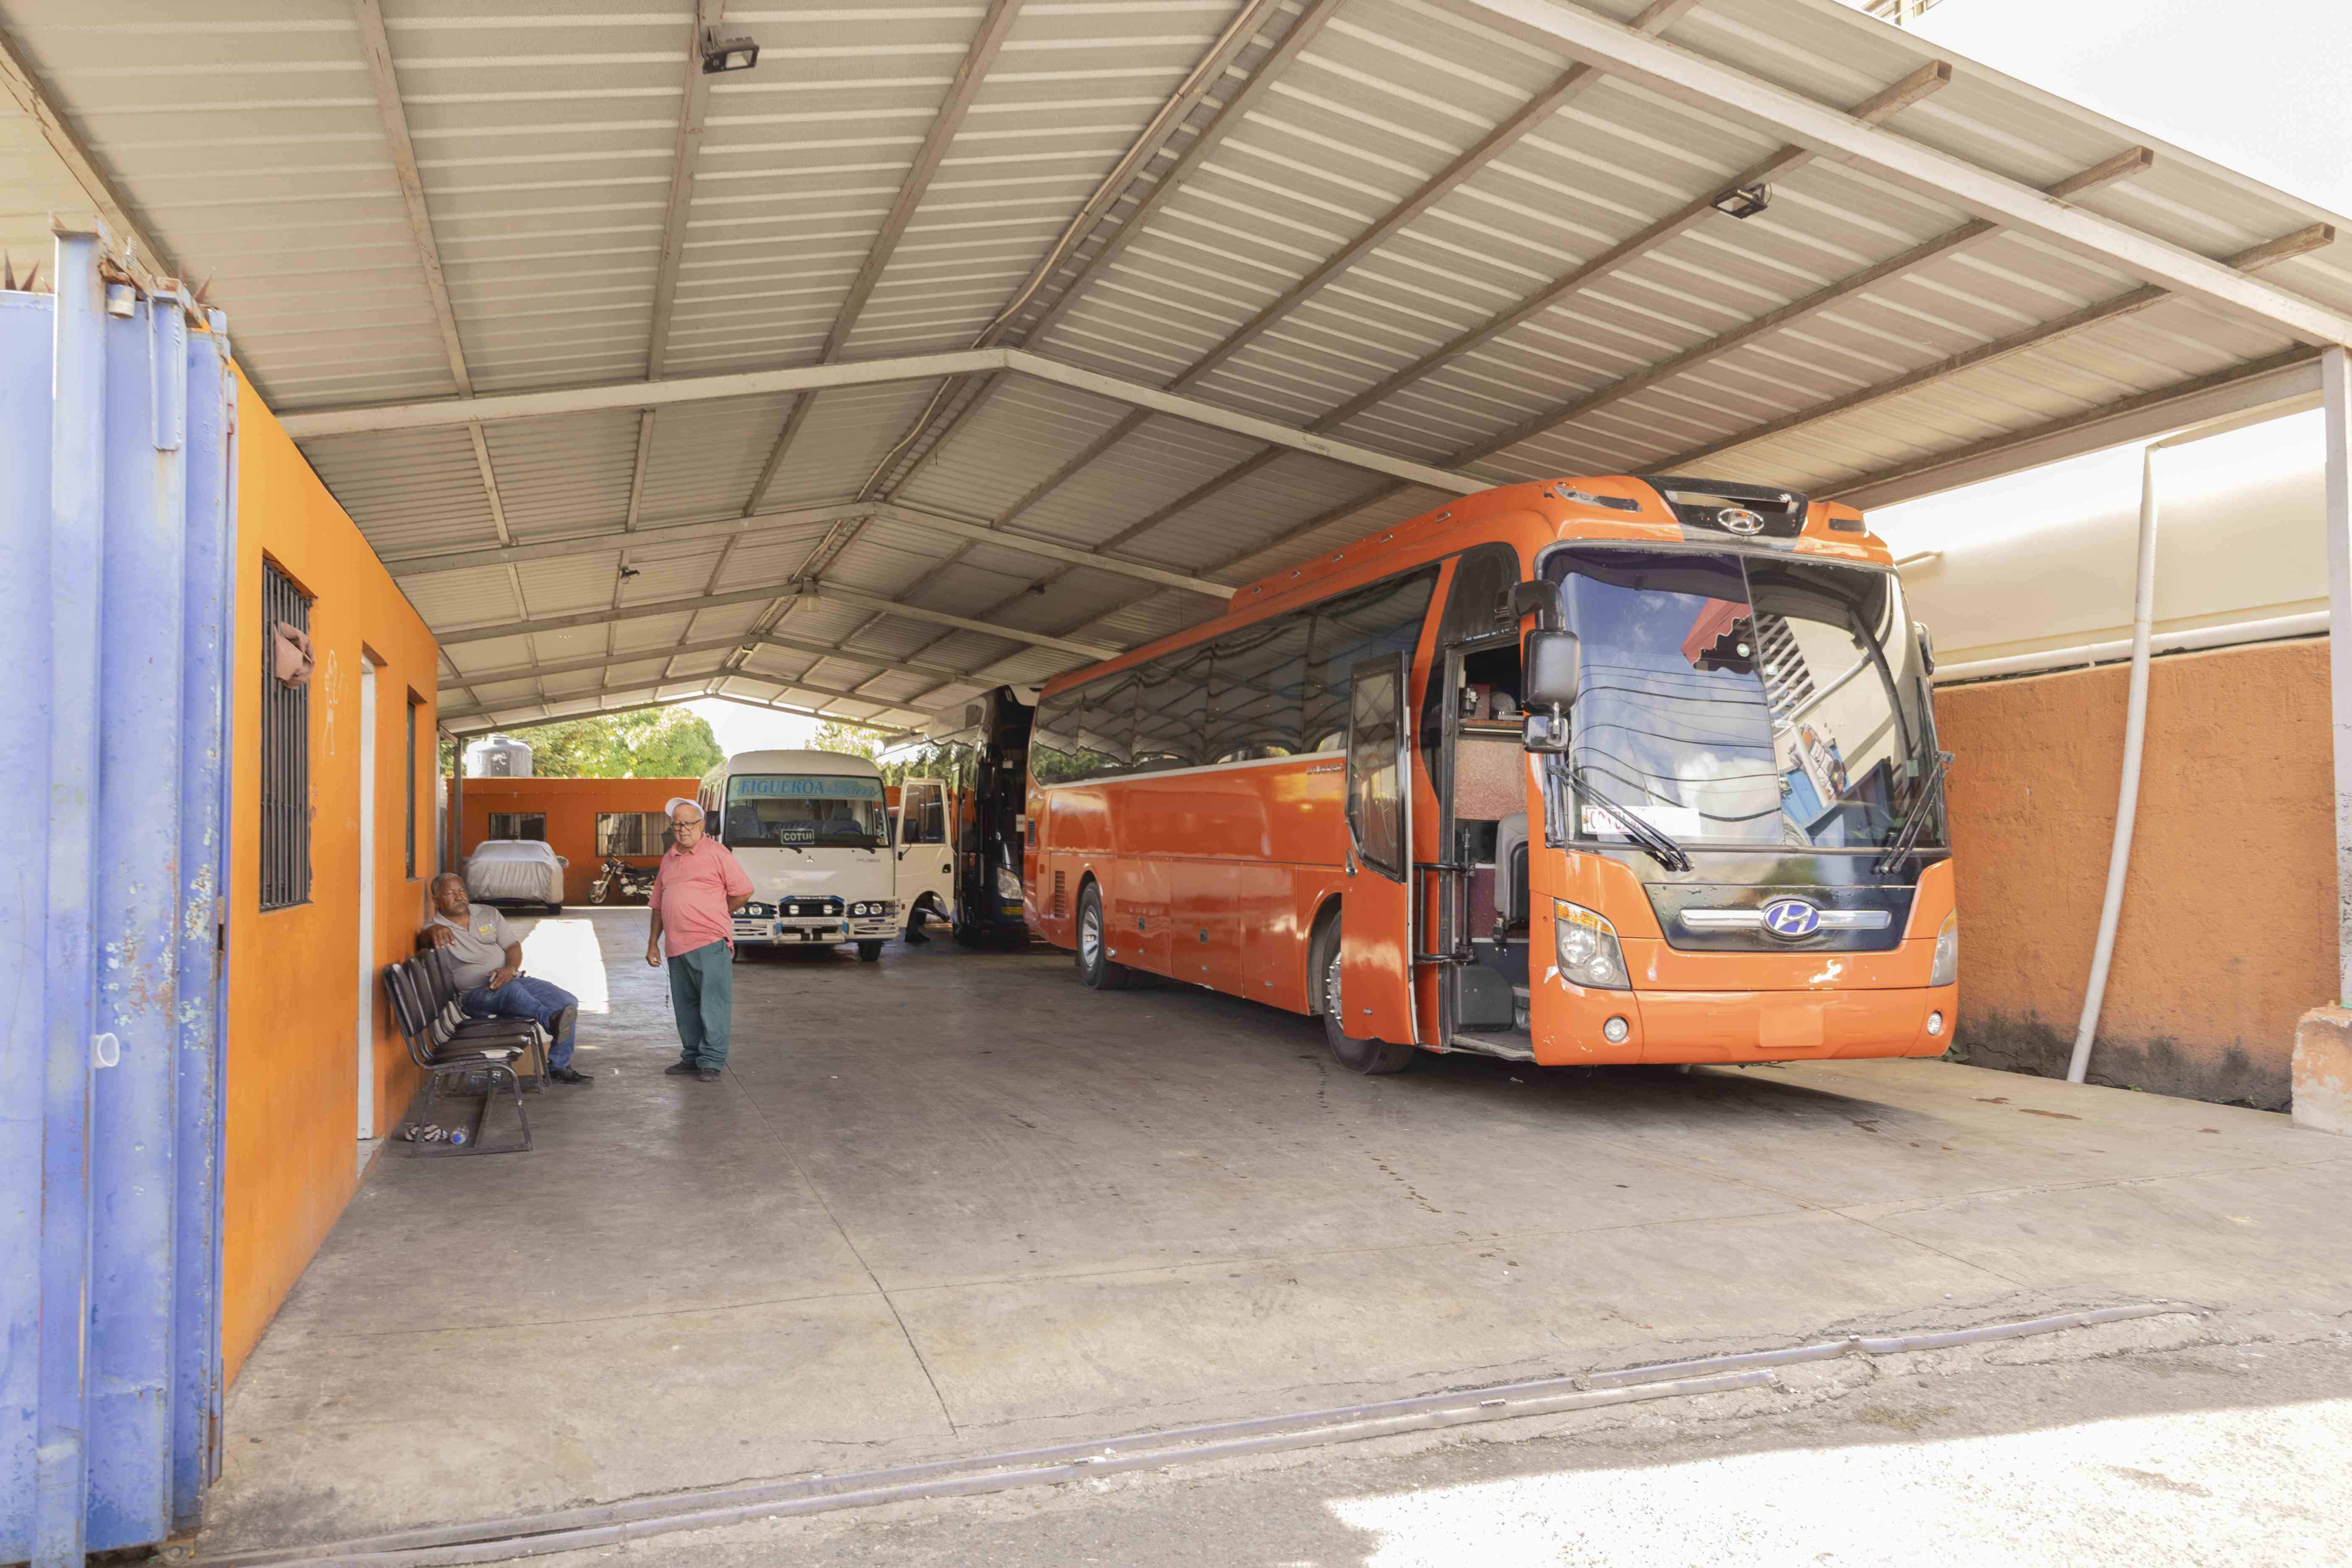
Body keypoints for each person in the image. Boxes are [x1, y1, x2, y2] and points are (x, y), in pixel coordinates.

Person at [423, 872, 591, 1085]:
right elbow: (423, 940)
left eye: (462, 891)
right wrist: (431, 931)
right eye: (450, 893)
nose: (459, 897)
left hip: (513, 979)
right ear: (437, 900)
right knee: (514, 993)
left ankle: (558, 1065)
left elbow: (513, 947)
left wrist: (510, 969)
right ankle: (550, 1020)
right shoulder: (436, 930)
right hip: (475, 996)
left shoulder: (488, 913)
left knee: (568, 1002)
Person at [646, 798, 754, 1083]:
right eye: (677, 824)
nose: (682, 830)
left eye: (688, 823)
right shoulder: (668, 858)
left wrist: (721, 910)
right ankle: (692, 1057)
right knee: (686, 1006)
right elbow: (658, 903)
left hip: (709, 943)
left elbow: (744, 890)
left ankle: (712, 1061)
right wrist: (652, 943)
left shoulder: (717, 853)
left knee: (714, 1003)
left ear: (702, 825)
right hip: (675, 946)